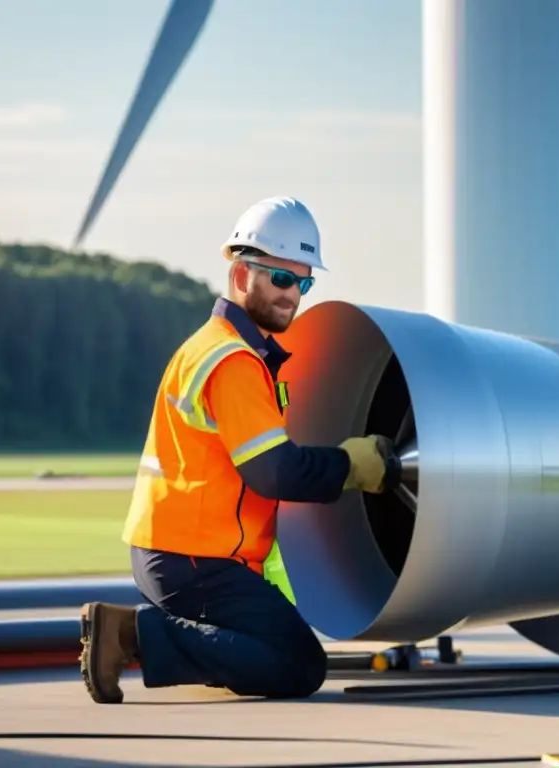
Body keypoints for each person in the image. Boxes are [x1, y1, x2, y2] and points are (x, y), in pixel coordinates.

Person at [78, 196, 397, 705]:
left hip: (183, 553)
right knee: (298, 664)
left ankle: (181, 644)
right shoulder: (232, 360)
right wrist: (353, 466)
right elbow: (275, 473)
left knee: (269, 650)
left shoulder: (222, 348)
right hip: (191, 559)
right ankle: (130, 635)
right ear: (242, 273)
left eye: (305, 281)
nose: (295, 295)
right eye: (283, 279)